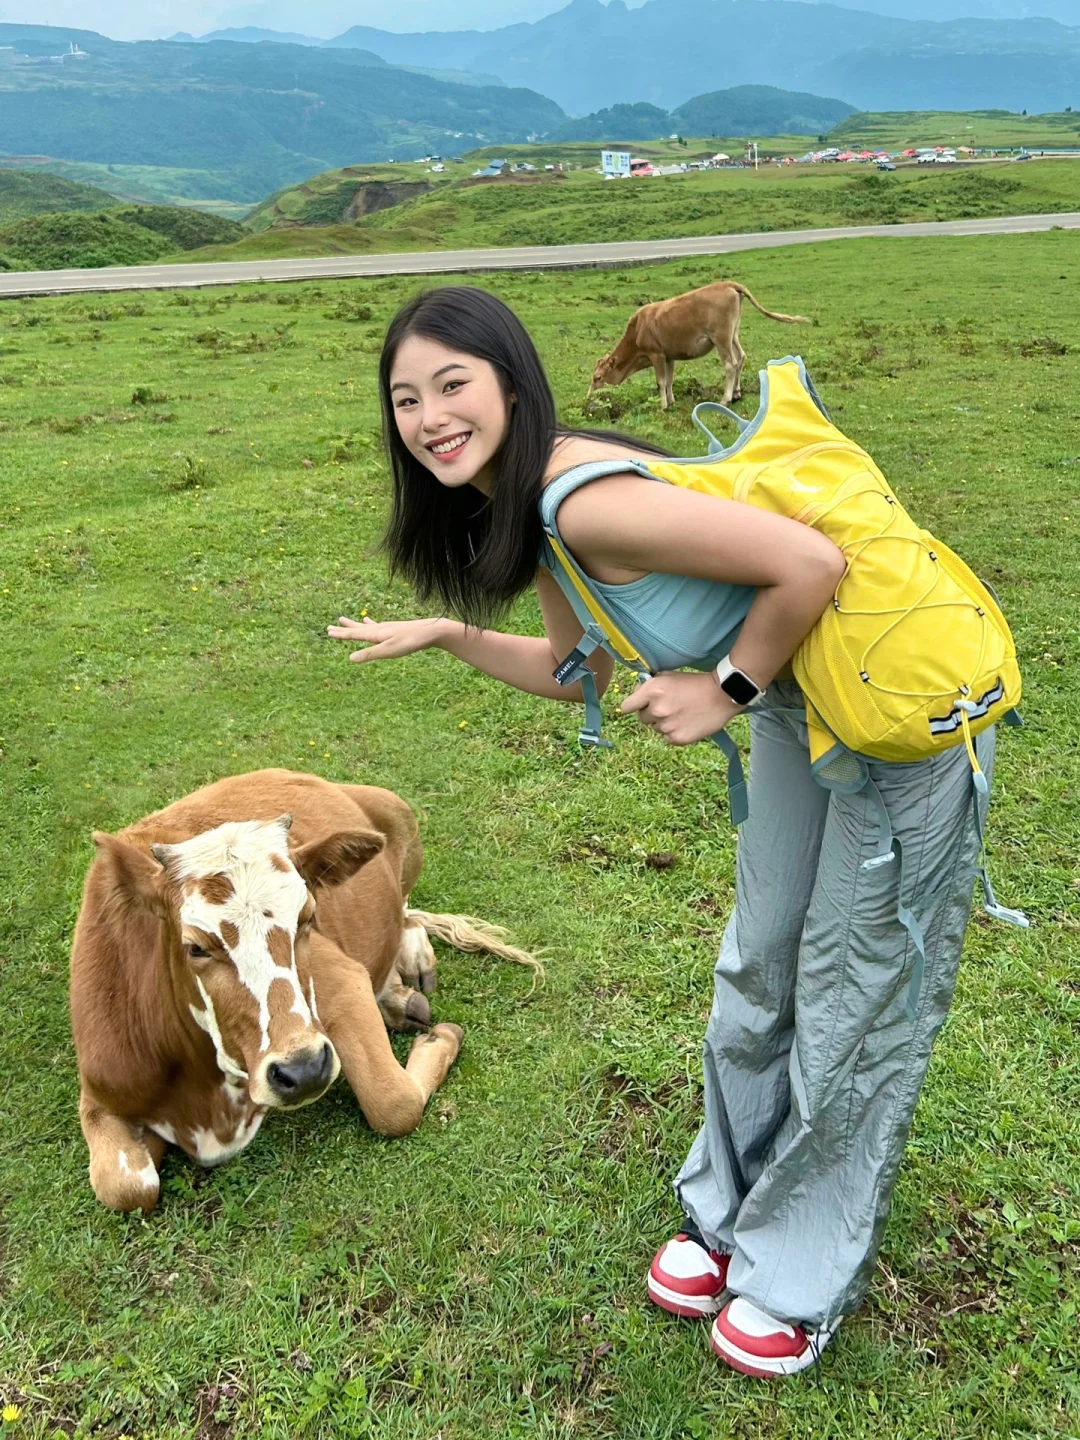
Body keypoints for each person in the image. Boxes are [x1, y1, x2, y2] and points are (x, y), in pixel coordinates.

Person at [327, 285, 998, 1378]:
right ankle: (726, 1208)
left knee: (853, 995)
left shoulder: (583, 501)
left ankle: (798, 1268)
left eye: (453, 384)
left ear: (510, 382)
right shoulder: (531, 513)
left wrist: (725, 688)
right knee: (760, 962)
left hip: (894, 720)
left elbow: (810, 566)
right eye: (406, 398)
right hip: (801, 705)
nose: (429, 416)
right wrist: (453, 634)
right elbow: (576, 668)